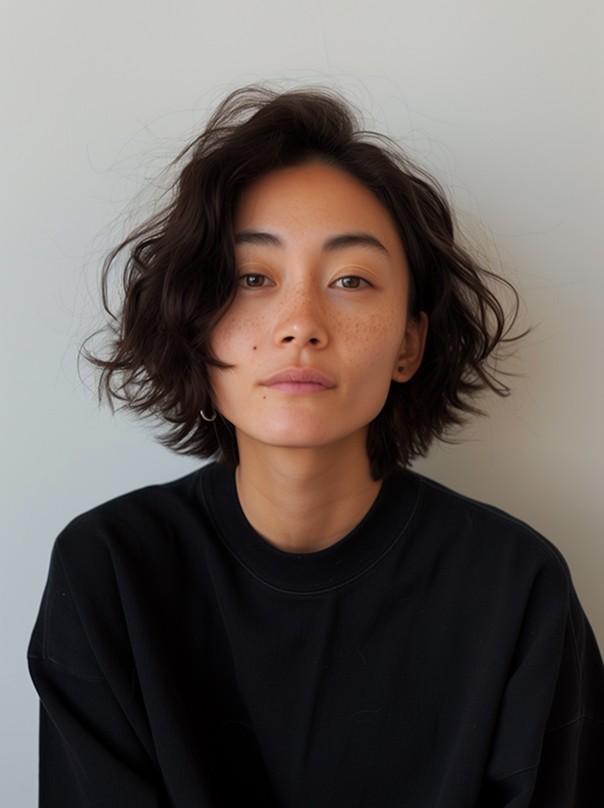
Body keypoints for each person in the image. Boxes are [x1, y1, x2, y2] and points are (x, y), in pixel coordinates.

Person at [29, 86, 603, 807]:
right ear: (196, 327)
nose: (300, 323)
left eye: (351, 280)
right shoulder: (110, 572)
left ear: (410, 342)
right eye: (251, 279)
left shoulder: (515, 589)